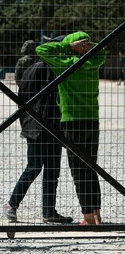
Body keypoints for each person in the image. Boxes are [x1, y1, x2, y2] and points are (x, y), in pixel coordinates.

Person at [36, 31, 106, 225]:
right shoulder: (94, 63)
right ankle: (97, 214)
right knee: (91, 167)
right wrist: (90, 46)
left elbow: (41, 49)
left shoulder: (65, 64)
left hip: (73, 121)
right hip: (93, 120)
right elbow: (104, 50)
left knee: (78, 171)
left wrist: (68, 47)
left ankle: (87, 218)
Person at [5, 50, 73, 224]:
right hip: (38, 126)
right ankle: (12, 204)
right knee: (34, 167)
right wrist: (30, 121)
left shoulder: (54, 68)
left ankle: (49, 213)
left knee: (52, 171)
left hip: (53, 127)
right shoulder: (37, 69)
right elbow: (24, 99)